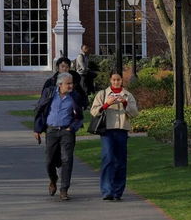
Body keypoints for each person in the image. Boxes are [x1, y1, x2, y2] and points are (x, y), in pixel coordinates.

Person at [33, 72, 84, 200]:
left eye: (72, 83)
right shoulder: (49, 93)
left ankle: (64, 190)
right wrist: (37, 129)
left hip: (67, 132)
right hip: (51, 131)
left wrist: (71, 128)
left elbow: (79, 117)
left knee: (67, 159)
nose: (71, 86)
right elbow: (40, 110)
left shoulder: (74, 97)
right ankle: (53, 179)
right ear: (60, 84)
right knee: (49, 160)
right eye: (68, 83)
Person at [91, 72, 139, 201]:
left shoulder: (128, 95)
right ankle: (107, 191)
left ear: (122, 81)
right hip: (107, 130)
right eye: (114, 80)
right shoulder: (102, 94)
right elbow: (94, 111)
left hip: (122, 130)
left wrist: (125, 103)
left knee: (120, 161)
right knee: (108, 158)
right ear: (110, 80)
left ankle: (118, 191)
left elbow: (135, 113)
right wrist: (106, 104)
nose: (116, 82)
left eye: (118, 80)